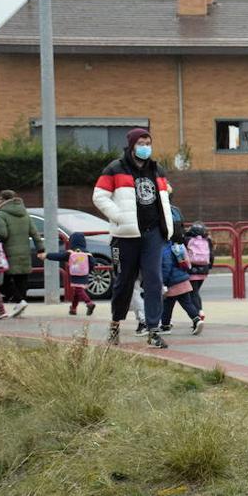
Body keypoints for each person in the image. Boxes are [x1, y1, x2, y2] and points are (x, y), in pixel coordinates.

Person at [92, 128, 173, 349]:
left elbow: (164, 197)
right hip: (126, 235)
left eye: (148, 142)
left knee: (154, 280)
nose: (145, 147)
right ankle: (115, 324)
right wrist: (119, 216)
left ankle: (153, 329)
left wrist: (167, 226)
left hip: (153, 233)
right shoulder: (115, 168)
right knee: (125, 282)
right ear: (131, 145)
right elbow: (99, 196)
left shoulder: (157, 169)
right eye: (141, 143)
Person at [0, 189, 44, 318]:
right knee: (21, 280)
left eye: (0, 199)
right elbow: (34, 233)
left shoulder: (2, 214)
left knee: (3, 281)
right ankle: (20, 305)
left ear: (4, 200)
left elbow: (3, 234)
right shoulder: (25, 213)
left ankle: (20, 301)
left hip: (9, 253)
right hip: (25, 252)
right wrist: (41, 249)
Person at [160, 223, 203, 335]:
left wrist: (163, 282)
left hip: (172, 283)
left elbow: (166, 267)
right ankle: (197, 319)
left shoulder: (164, 249)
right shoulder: (176, 246)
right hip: (183, 280)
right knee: (187, 303)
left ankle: (165, 326)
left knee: (167, 306)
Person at [43, 232, 97, 316]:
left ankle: (89, 302)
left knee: (78, 289)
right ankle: (73, 308)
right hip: (84, 274)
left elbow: (59, 256)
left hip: (75, 274)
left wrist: (47, 255)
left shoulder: (70, 253)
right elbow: (93, 263)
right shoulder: (87, 254)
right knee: (77, 291)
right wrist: (88, 271)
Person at [183, 222, 214, 319]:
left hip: (192, 269)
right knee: (195, 292)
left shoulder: (187, 240)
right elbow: (211, 255)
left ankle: (199, 312)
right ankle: (198, 312)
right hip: (204, 269)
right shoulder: (207, 240)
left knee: (193, 293)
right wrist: (209, 267)